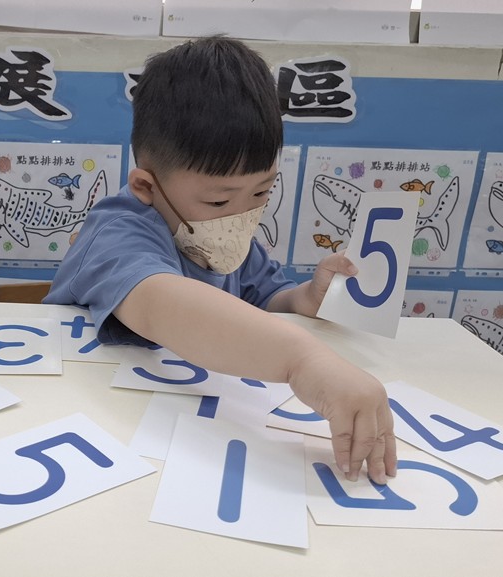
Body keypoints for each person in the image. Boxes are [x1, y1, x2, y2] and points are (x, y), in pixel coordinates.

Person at [44, 36, 397, 484]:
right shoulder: (117, 232)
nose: (240, 216)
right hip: (86, 423)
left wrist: (308, 298)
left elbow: (267, 300)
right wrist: (302, 360)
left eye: (262, 192)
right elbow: (160, 303)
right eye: (218, 201)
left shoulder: (228, 236)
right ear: (147, 187)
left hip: (173, 426)